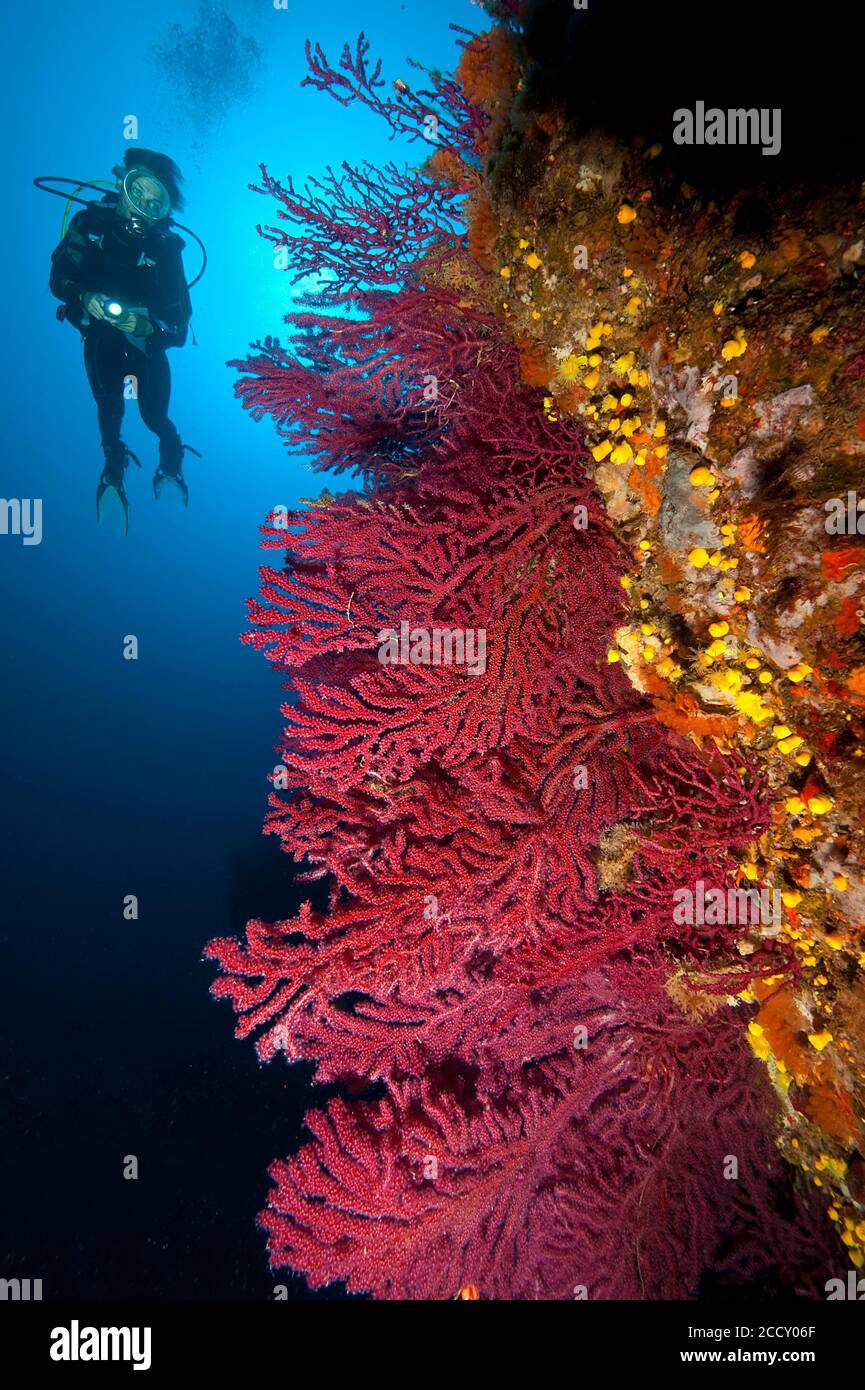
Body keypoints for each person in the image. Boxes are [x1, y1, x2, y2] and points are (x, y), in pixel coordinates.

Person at [49, 149, 199, 529]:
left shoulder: (166, 250)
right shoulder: (89, 223)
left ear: (164, 211)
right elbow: (58, 278)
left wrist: (150, 328)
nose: (143, 209)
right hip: (100, 339)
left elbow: (180, 327)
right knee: (109, 405)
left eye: (155, 203)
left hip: (148, 347)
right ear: (121, 185)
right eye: (137, 193)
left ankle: (170, 462)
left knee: (154, 415)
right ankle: (112, 467)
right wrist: (84, 297)